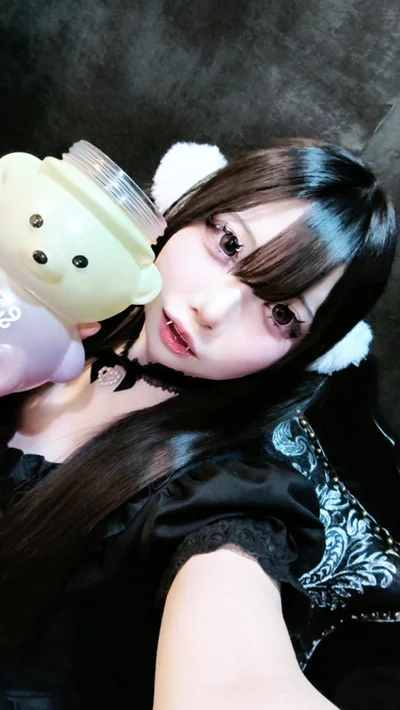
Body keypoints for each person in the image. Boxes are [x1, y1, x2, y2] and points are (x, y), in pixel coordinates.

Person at [0, 139, 397, 710]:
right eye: (229, 243)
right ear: (189, 205)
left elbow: (241, 679)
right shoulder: (59, 294)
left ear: (305, 354)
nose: (212, 310)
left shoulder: (223, 496)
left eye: (282, 314)